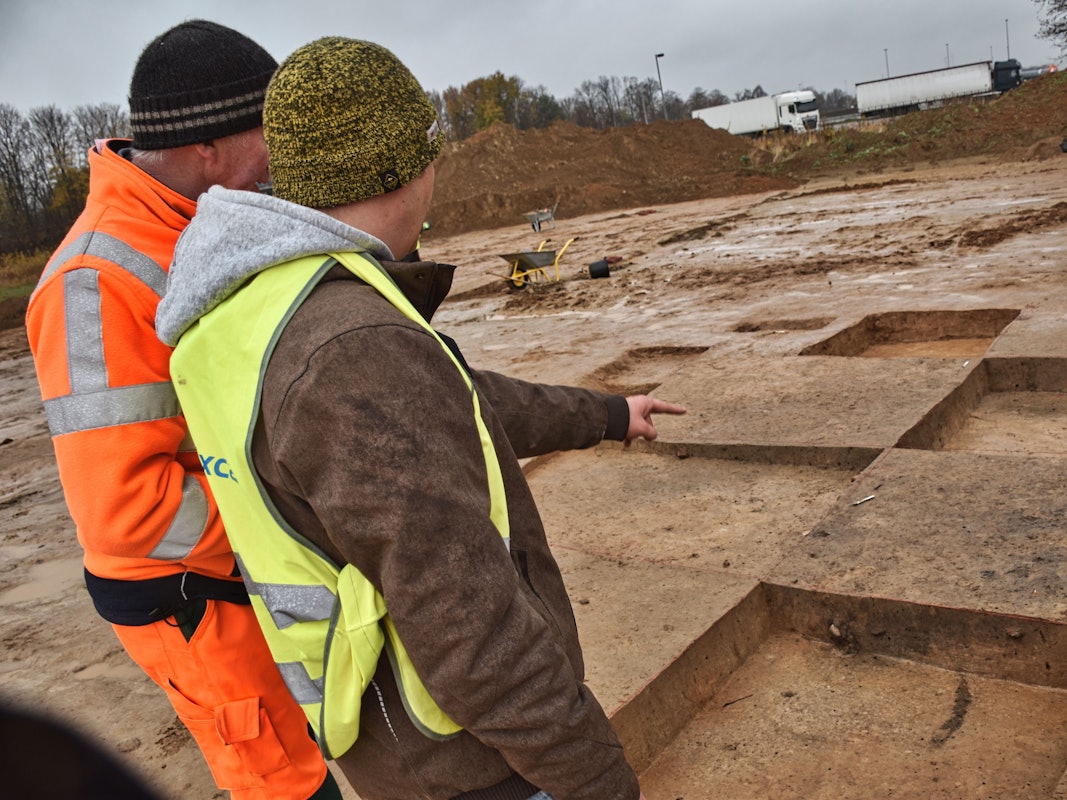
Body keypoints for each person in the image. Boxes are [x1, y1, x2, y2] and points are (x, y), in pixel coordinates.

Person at [156, 37, 684, 800]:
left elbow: (448, 405)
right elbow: (471, 626)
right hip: (470, 761)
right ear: (409, 167)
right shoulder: (354, 345)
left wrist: (605, 414)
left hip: (390, 741)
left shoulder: (259, 308)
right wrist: (598, 781)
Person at [24, 20, 340, 800]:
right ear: (208, 147)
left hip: (233, 567)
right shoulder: (92, 283)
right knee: (283, 781)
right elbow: (127, 510)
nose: (279, 158)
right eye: (267, 134)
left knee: (309, 741)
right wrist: (285, 519)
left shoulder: (197, 227)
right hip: (187, 596)